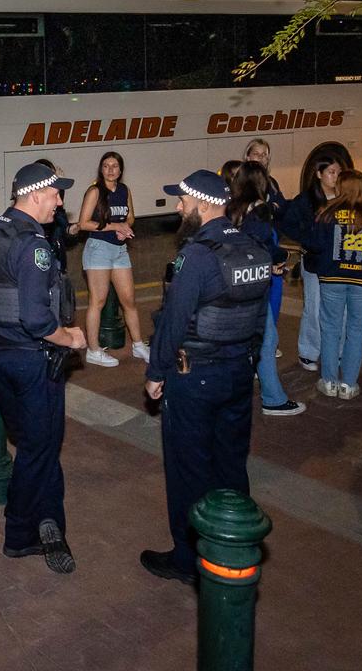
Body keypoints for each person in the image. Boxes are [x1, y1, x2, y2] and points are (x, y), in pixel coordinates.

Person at [141, 170, 272, 585]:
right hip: (237, 375)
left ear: (203, 204)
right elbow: (258, 322)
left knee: (188, 470)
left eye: (182, 201)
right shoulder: (254, 247)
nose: (178, 207)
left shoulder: (197, 254)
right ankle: (232, 550)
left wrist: (156, 372)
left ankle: (188, 558)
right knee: (231, 465)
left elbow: (174, 321)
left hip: (194, 376)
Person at [0, 163, 86, 575]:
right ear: (36, 195)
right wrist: (71, 337)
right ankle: (20, 533)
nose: (60, 202)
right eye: (56, 194)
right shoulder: (32, 245)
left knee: (38, 443)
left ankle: (50, 516)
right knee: (39, 448)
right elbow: (38, 319)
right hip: (32, 359)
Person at [224, 160, 305, 416]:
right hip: (255, 282)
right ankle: (273, 398)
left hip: (233, 281)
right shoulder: (260, 210)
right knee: (267, 340)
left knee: (238, 340)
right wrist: (278, 258)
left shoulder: (231, 208)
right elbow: (262, 244)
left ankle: (229, 393)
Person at [304, 170, 362, 399]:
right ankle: (348, 384)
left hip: (332, 279)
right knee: (356, 331)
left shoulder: (328, 212)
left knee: (330, 329)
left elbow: (316, 245)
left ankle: (329, 381)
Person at [77, 151, 149, 366]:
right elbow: (83, 223)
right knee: (97, 302)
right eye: (106, 166)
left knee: (129, 300)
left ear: (120, 170)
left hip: (119, 250)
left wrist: (125, 227)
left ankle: (138, 345)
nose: (110, 170)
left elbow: (130, 216)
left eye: (115, 166)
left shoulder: (124, 190)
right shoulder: (95, 191)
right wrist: (113, 226)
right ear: (101, 169)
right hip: (98, 248)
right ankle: (93, 350)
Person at [281, 155, 345, 371]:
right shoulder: (306, 200)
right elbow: (288, 223)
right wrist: (308, 240)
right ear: (319, 174)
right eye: (331, 172)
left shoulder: (345, 197)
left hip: (340, 264)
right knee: (314, 307)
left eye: (338, 172)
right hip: (316, 262)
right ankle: (309, 352)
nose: (335, 177)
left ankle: (338, 352)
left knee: (340, 309)